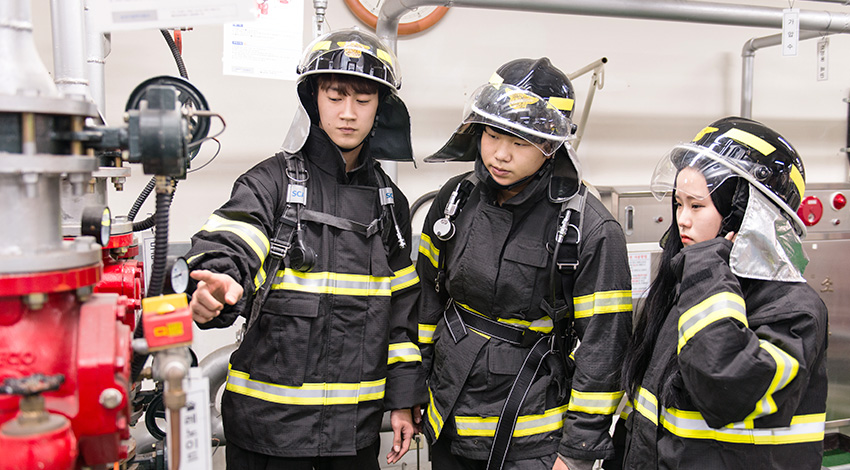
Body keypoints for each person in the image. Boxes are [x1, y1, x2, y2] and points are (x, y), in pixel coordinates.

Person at [184, 28, 426, 469]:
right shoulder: (271, 182)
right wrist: (218, 281)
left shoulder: (390, 204)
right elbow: (233, 238)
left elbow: (401, 315)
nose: (348, 113)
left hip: (353, 440)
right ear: (314, 98)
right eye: (335, 96)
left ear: (381, 106)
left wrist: (403, 400)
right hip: (268, 436)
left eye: (363, 100)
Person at [416, 57, 633, 470]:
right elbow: (426, 301)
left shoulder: (590, 228)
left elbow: (605, 349)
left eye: (520, 143)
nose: (500, 154)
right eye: (493, 134)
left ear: (551, 145)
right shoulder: (456, 199)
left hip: (531, 438)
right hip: (447, 418)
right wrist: (411, 387)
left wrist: (577, 452)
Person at [618, 116, 829, 469]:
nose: (682, 220)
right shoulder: (690, 288)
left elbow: (724, 387)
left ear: (746, 214)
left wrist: (705, 266)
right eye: (678, 203)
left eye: (697, 205)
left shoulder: (794, 310)